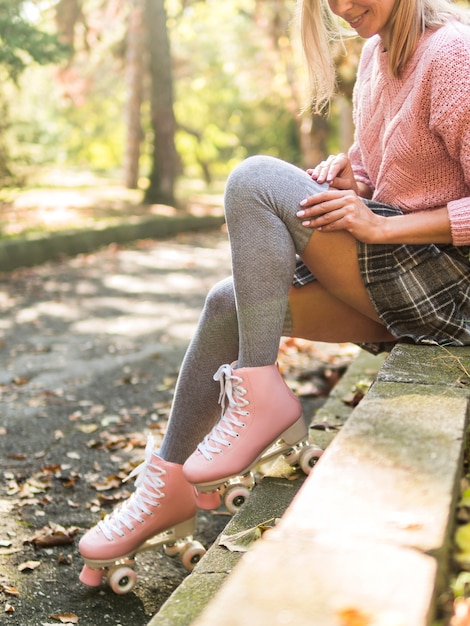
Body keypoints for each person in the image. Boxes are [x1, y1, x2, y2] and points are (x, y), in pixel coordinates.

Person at [78, 0, 470, 585]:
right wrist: (350, 178)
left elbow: (403, 210)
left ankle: (259, 392)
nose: (341, 5)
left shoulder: (453, 53)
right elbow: (385, 175)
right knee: (226, 304)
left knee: (255, 178)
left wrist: (382, 225)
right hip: (404, 281)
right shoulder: (374, 54)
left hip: (452, 288)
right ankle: (168, 485)